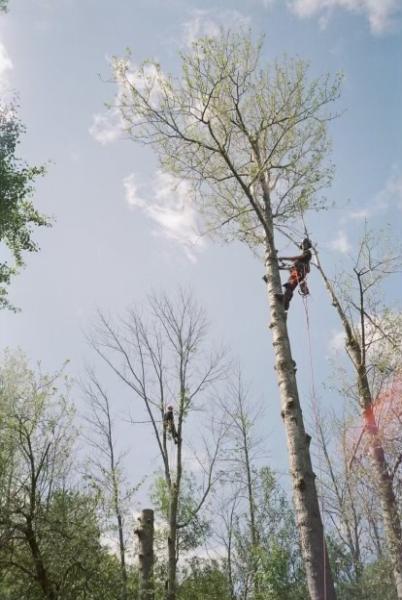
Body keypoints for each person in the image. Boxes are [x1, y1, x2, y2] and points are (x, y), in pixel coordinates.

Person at [279, 238, 312, 310]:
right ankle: (286, 302)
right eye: (303, 244)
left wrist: (284, 258)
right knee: (291, 283)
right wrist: (280, 267)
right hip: (298, 271)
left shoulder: (308, 253)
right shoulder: (299, 262)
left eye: (305, 244)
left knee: (291, 283)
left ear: (308, 245)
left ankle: (285, 299)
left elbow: (299, 258)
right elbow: (291, 267)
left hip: (300, 271)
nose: (304, 245)